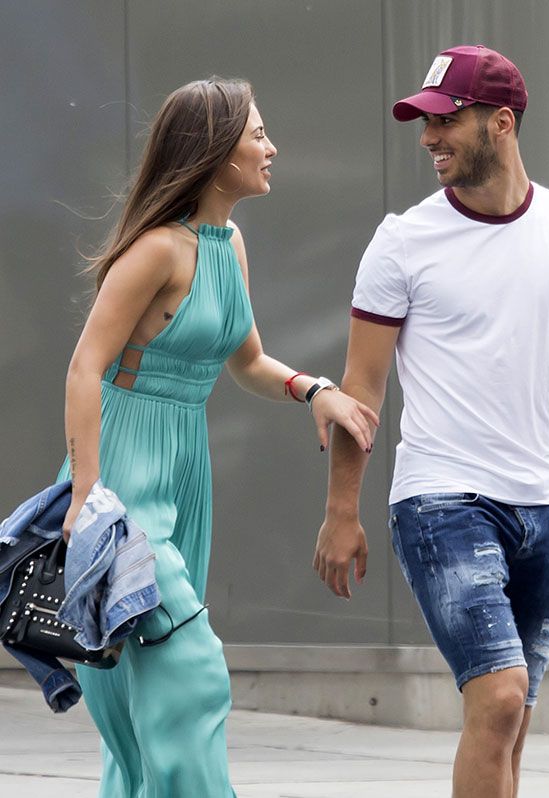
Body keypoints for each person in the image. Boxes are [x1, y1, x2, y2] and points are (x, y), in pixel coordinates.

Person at [313, 45, 549, 798]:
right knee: (500, 696)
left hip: (541, 508)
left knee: (509, 726)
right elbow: (359, 391)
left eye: (446, 120)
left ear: (501, 123)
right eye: (424, 122)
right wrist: (343, 511)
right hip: (439, 501)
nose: (428, 138)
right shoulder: (402, 242)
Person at [58, 77, 378, 798]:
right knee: (192, 670)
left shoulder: (228, 243)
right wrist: (86, 495)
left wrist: (314, 390)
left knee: (146, 695)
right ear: (214, 151)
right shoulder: (157, 251)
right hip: (123, 478)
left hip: (183, 475)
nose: (272, 147)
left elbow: (249, 362)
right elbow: (85, 367)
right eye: (257, 135)